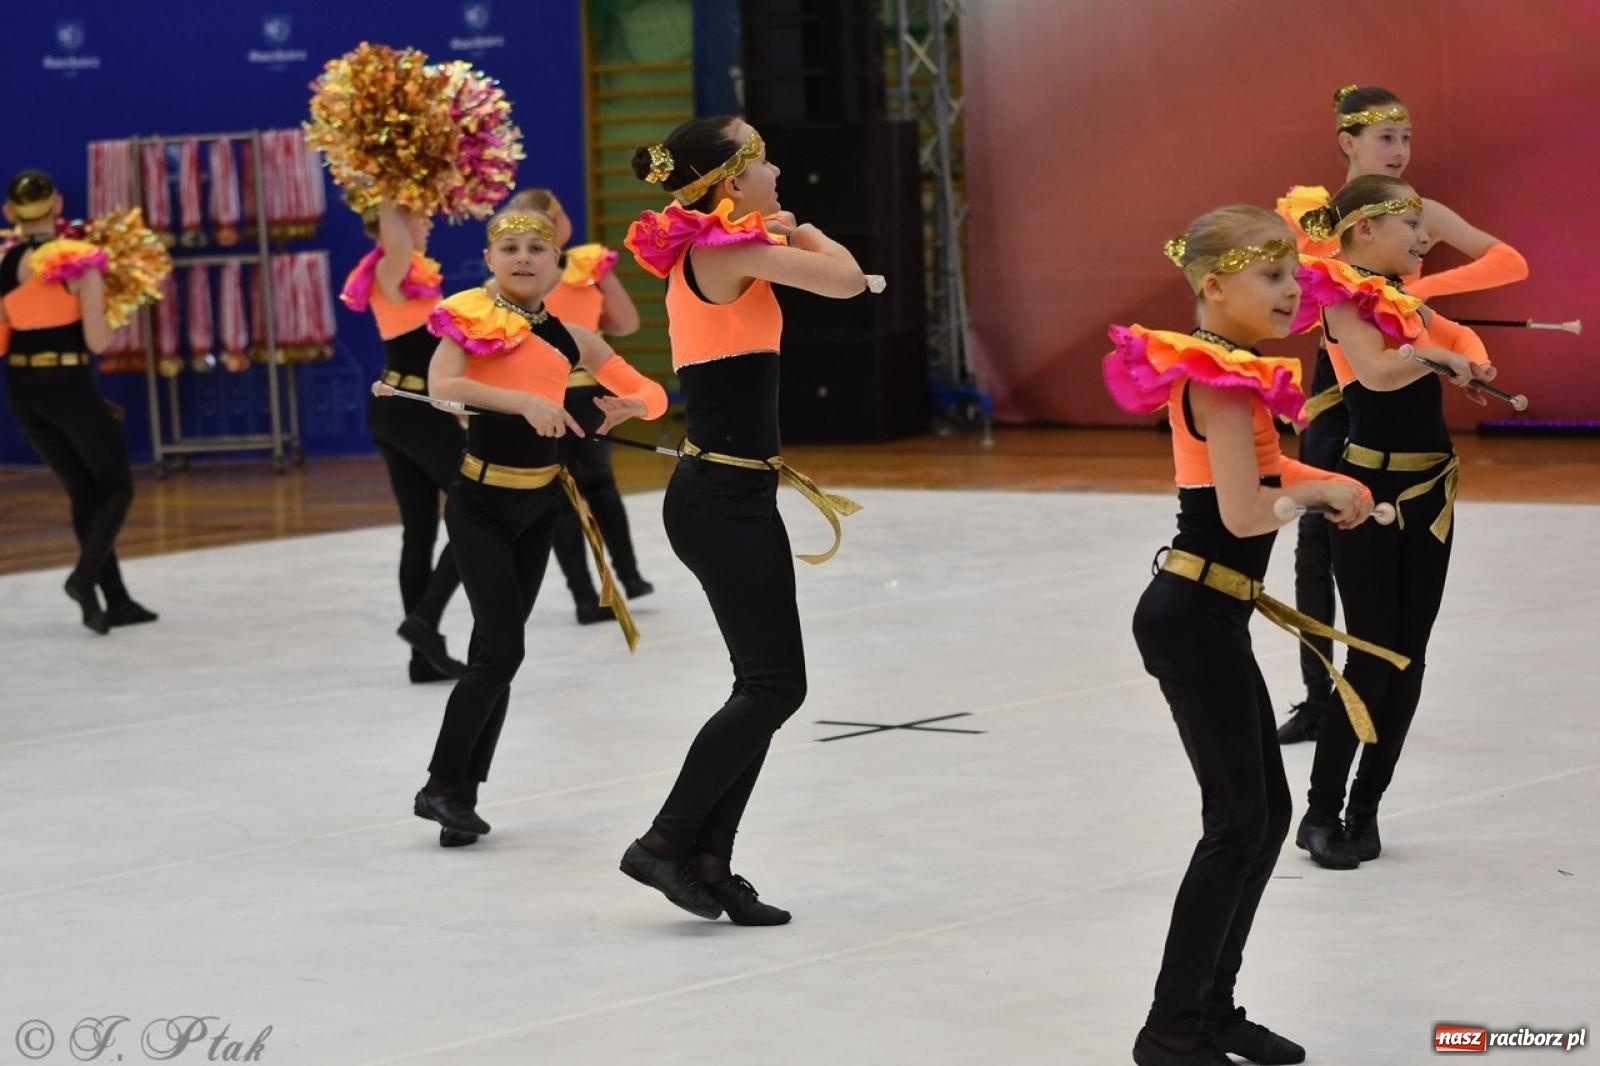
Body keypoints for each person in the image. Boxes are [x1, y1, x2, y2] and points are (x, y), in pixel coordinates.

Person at [1105, 204, 1398, 1065]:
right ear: (1213, 284)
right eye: (1272, 278)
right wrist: (1315, 495)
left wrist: (1330, 482)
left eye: (1290, 277)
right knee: (1238, 823)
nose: (1290, 293)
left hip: (1207, 613)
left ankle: (1211, 1009)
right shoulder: (1218, 379)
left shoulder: (1229, 374)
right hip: (1193, 617)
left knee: (1262, 816)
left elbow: (1267, 471)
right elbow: (1243, 508)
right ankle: (1171, 1029)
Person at [617, 116, 867, 925]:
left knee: (765, 684)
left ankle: (707, 859)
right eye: (764, 160)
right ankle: (665, 843)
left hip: (735, 494)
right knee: (772, 685)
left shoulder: (729, 249)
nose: (779, 169)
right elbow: (849, 280)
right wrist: (808, 230)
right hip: (719, 500)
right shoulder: (723, 252)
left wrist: (783, 229)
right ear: (731, 182)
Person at [1274, 84, 1528, 744]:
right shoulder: (1318, 219)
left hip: (1399, 377)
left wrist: (1415, 293)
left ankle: (1374, 677)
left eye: (1408, 138)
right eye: (1387, 138)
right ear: (1346, 143)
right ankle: (1316, 694)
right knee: (1313, 542)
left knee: (1383, 532)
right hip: (1335, 389)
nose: (1400, 150)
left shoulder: (1418, 212)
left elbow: (1510, 261)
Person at [410, 205, 666, 847]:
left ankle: (459, 799)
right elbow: (443, 384)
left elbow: (648, 387)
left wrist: (637, 403)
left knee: (495, 652)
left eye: (537, 248)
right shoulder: (471, 314)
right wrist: (524, 401)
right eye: (510, 248)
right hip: (480, 504)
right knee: (502, 650)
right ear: (490, 261)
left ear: (559, 264)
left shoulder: (575, 338)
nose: (524, 257)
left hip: (539, 505)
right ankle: (441, 786)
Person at [1292, 176, 1496, 868]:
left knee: (1409, 660)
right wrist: (1435, 357)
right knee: (1372, 656)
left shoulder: (1405, 297)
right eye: (1410, 225)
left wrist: (1469, 356)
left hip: (1433, 490)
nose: (1424, 236)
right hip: (1370, 494)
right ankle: (1320, 812)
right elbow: (1377, 375)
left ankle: (1366, 809)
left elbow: (1449, 334)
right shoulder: (1343, 298)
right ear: (1365, 233)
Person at [0, 169, 155, 633]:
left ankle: (113, 600)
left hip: (22, 390)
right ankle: (84, 577)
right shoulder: (80, 261)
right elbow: (98, 341)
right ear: (59, 205)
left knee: (83, 491)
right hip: (67, 380)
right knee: (117, 487)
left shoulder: (4, 266)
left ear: (10, 213)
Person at [505, 187, 653, 626]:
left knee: (561, 496)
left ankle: (585, 597)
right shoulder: (587, 264)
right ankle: (629, 574)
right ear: (555, 222)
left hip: (540, 396)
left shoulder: (510, 275)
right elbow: (626, 323)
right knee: (600, 484)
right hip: (588, 391)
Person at [342, 200, 465, 682]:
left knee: (420, 531)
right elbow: (395, 232)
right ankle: (424, 621)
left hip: (398, 410)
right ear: (395, 223)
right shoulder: (391, 268)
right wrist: (395, 181)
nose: (430, 223)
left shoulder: (402, 272)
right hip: (414, 414)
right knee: (478, 509)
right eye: (422, 216)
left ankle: (422, 655)